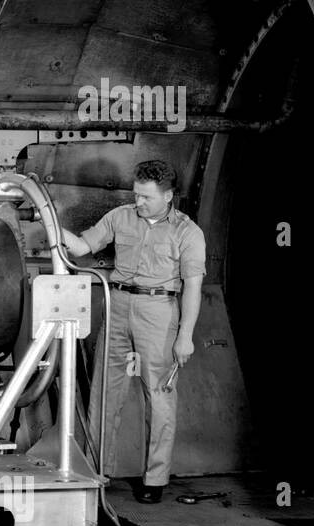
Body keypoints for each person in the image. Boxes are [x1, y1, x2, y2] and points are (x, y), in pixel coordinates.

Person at [59, 159, 206, 503]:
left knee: (159, 396)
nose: (138, 202)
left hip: (159, 312)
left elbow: (194, 286)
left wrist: (185, 336)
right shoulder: (120, 217)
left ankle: (154, 480)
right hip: (118, 305)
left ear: (168, 196)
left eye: (147, 198)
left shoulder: (187, 232)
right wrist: (47, 220)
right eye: (136, 195)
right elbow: (81, 248)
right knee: (105, 391)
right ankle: (98, 470)